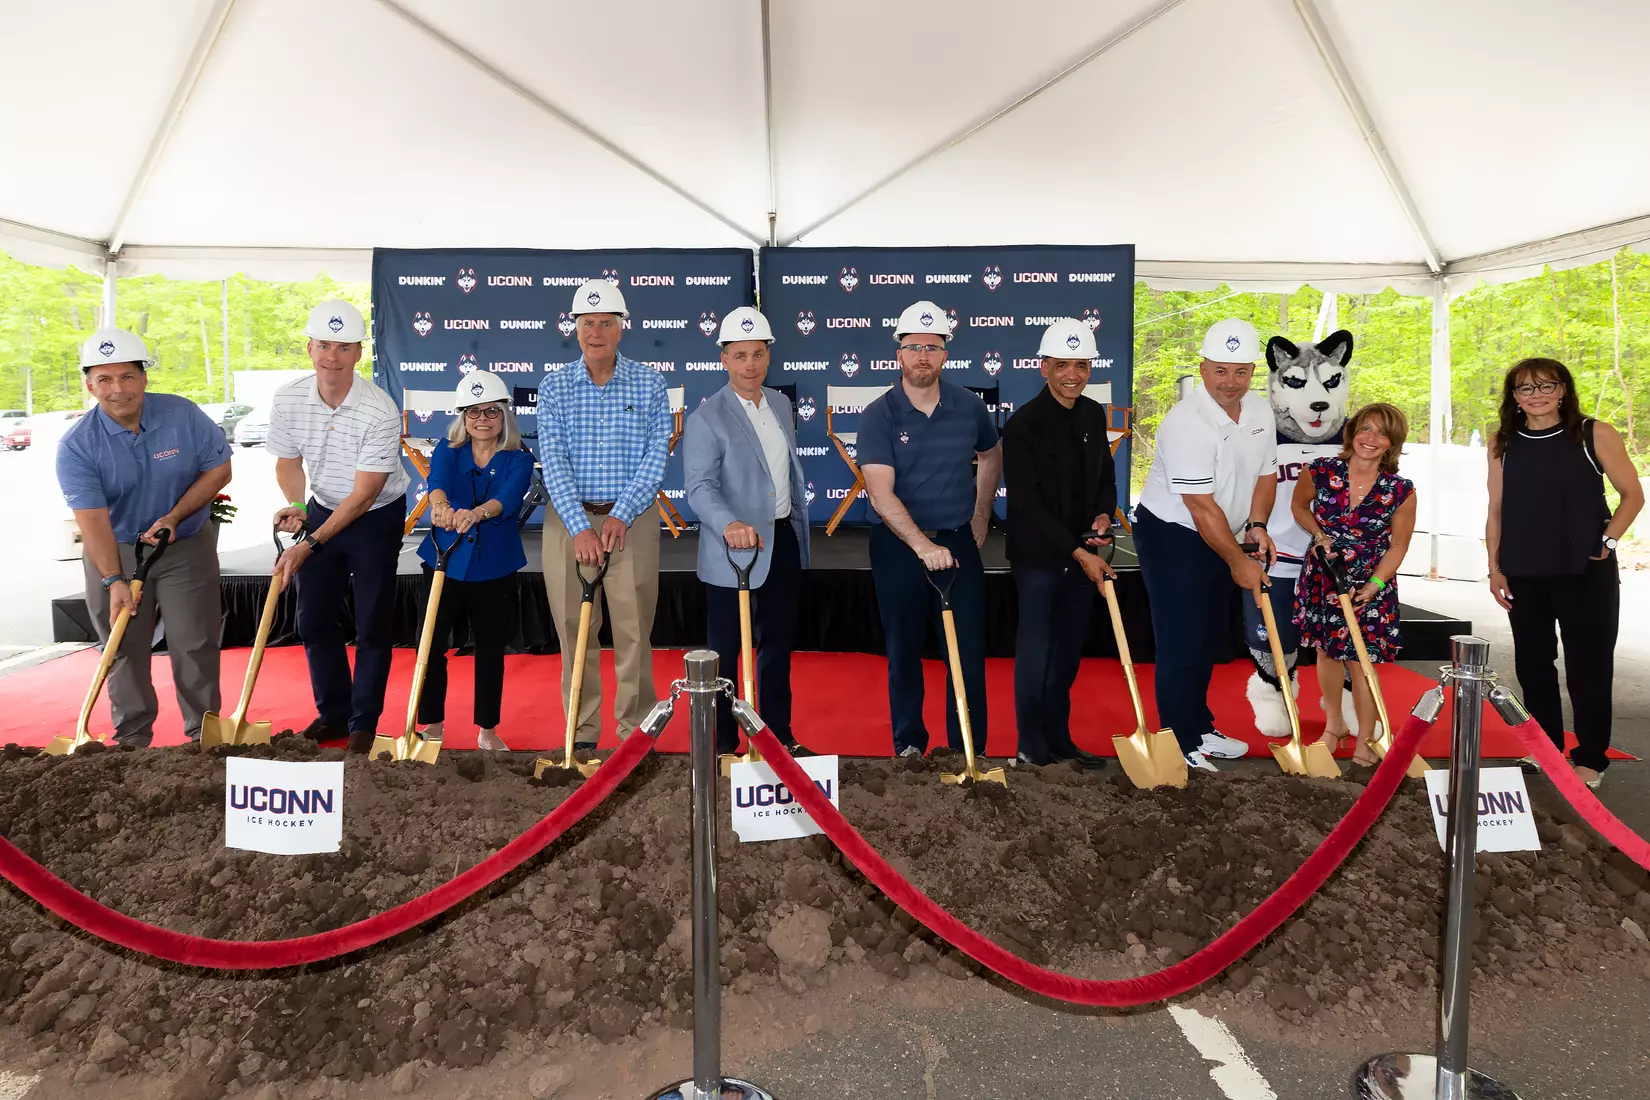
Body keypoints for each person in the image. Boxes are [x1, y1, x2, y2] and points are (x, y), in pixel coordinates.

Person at [56, 328, 233, 745]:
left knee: (195, 642)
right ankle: (132, 740)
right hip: (115, 548)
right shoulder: (77, 446)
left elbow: (219, 470)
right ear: (89, 386)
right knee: (121, 647)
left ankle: (203, 736)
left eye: (127, 376)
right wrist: (113, 580)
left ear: (145, 377)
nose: (117, 390)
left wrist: (174, 516)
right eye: (104, 380)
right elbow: (93, 521)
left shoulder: (182, 415)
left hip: (185, 545)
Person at [1486, 358, 1642, 788]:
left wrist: (1606, 542)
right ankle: (1547, 750)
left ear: (1563, 390)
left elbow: (1633, 495)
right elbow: (1496, 509)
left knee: (1588, 668)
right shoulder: (1502, 442)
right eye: (1524, 388)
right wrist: (1494, 567)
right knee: (1533, 667)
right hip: (1523, 571)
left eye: (1545, 386)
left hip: (1584, 572)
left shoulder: (1595, 434)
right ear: (1513, 397)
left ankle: (1591, 758)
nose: (1535, 395)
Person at [858, 299, 1002, 757]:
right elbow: (881, 495)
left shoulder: (970, 407)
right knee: (903, 649)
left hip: (957, 542)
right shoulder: (878, 414)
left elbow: (991, 455)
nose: (924, 355)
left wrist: (981, 514)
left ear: (946, 354)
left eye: (933, 347)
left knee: (966, 652)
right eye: (914, 346)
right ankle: (909, 747)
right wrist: (922, 546)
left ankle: (967, 750)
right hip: (899, 548)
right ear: (898, 354)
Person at [1133, 318, 1278, 772]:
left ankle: (1199, 726)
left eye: (1240, 372)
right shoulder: (1186, 423)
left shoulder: (1259, 411)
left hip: (1226, 530)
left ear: (1252, 371)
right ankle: (1179, 738)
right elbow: (1200, 507)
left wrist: (1257, 525)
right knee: (1183, 638)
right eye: (1220, 371)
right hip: (1173, 533)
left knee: (1208, 635)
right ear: (1203, 368)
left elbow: (1266, 475)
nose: (1230, 383)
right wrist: (1237, 561)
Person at [268, 299, 409, 753]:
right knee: (313, 621)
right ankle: (333, 715)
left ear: (359, 354)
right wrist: (296, 505)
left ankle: (363, 722)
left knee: (371, 624)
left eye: (344, 347)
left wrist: (309, 542)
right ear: (309, 348)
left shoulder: (380, 409)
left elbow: (364, 495)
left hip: (376, 516)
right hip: (323, 506)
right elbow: (288, 462)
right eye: (324, 345)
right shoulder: (288, 398)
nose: (332, 356)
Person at [536, 279, 671, 750]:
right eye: (587, 322)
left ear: (621, 328)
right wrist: (578, 526)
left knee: (634, 631)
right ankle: (582, 735)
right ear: (574, 329)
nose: (596, 331)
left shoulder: (651, 383)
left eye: (606, 323)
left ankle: (634, 736)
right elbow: (552, 460)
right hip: (568, 523)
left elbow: (657, 455)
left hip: (632, 521)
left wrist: (623, 513)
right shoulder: (553, 387)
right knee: (574, 630)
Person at [683, 306, 812, 756]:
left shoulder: (780, 403)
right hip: (731, 550)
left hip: (782, 540)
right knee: (725, 654)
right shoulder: (707, 418)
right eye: (740, 356)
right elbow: (698, 488)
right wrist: (730, 524)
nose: (750, 364)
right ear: (724, 359)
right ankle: (720, 744)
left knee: (777, 646)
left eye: (758, 354)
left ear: (768, 355)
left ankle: (779, 739)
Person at [1001, 319, 1115, 768]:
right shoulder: (1022, 424)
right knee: (1037, 650)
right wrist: (1080, 552)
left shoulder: (1092, 414)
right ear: (1043, 367)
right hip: (1039, 559)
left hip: (1081, 557)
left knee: (1067, 652)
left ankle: (1059, 738)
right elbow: (1027, 506)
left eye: (1082, 365)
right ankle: (1030, 744)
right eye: (1063, 365)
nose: (1073, 374)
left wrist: (1105, 511)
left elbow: (1104, 476)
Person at [413, 372, 534, 752]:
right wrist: (441, 506)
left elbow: (509, 499)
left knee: (490, 650)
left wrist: (477, 513)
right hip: (442, 562)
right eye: (473, 412)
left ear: (504, 416)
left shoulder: (520, 458)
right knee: (429, 645)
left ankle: (487, 730)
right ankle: (431, 726)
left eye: (491, 412)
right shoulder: (448, 450)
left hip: (494, 566)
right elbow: (437, 481)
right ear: (462, 416)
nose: (482, 419)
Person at [1291, 403, 1417, 764]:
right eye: (1366, 429)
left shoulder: (1401, 490)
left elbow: (1399, 545)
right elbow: (1300, 508)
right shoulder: (1319, 471)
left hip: (1370, 585)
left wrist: (1375, 585)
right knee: (1327, 653)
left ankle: (1366, 735)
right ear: (1352, 432)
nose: (1371, 439)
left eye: (1381, 433)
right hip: (1324, 575)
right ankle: (1334, 725)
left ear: (1392, 443)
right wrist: (1319, 536)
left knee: (1362, 662)